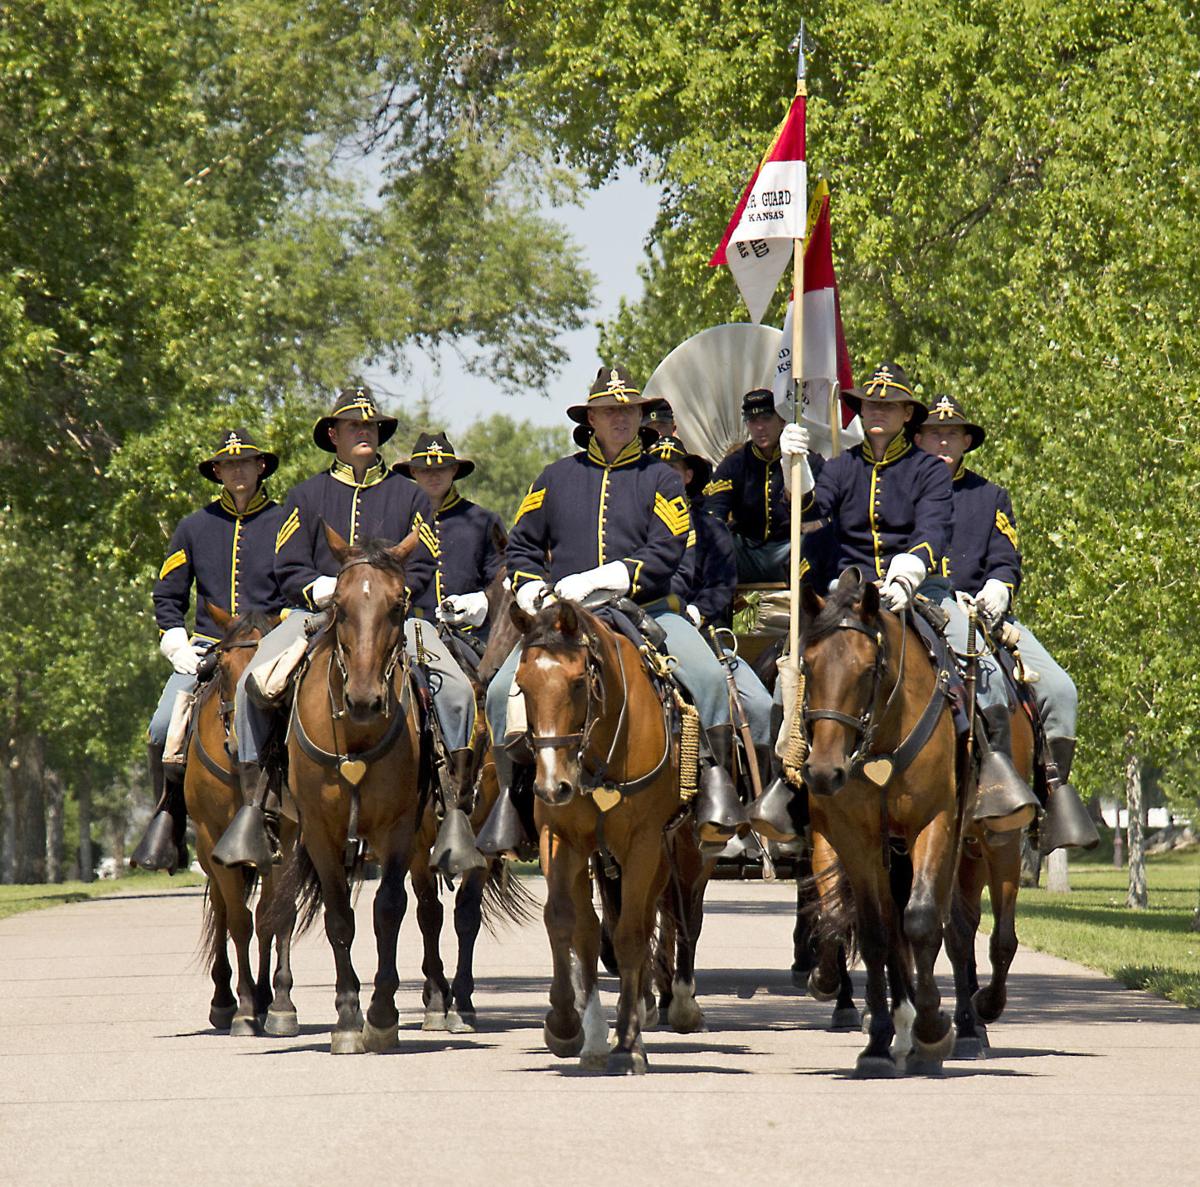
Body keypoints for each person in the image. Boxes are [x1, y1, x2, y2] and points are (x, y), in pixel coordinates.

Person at [481, 365, 746, 846]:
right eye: (609, 411)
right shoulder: (555, 477)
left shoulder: (661, 478)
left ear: (640, 417)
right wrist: (532, 591)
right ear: (592, 419)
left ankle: (713, 789)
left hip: (646, 608)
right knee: (501, 692)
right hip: (562, 619)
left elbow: (668, 549)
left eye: (628, 410)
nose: (620, 418)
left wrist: (603, 580)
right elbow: (519, 548)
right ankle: (513, 801)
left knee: (706, 678)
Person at [216, 388, 471, 871]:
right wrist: (321, 589)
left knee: (456, 691)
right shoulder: (306, 495)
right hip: (318, 614)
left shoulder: (411, 496)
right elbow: (286, 564)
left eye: (371, 427)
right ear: (332, 435)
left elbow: (427, 562)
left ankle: (453, 810)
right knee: (255, 681)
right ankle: (257, 807)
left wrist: (392, 596)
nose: (364, 434)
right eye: (354, 427)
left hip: (398, 620)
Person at [782, 363, 1034, 827]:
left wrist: (907, 572)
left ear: (905, 415)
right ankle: (789, 785)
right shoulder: (840, 467)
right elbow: (809, 515)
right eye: (869, 404)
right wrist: (793, 469)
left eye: (888, 405)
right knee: (797, 667)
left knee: (979, 663)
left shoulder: (927, 471)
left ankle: (996, 775)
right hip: (850, 594)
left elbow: (933, 528)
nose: (877, 412)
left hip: (919, 591)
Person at [914, 395, 1098, 851]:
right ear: (916, 439)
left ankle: (1047, 798)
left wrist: (998, 586)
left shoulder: (990, 495)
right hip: (919, 606)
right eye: (934, 433)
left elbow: (1004, 557)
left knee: (1060, 690)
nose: (942, 440)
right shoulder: (904, 487)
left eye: (952, 434)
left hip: (984, 613)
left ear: (966, 442)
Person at [131, 429, 284, 874]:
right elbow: (168, 594)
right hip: (206, 648)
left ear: (260, 467)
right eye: (228, 464)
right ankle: (171, 818)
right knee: (161, 728)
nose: (238, 470)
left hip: (269, 645)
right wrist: (174, 640)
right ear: (217, 472)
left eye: (246, 462)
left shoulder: (284, 520)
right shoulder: (193, 526)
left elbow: (299, 581)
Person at [649, 434, 774, 777]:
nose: (664, 475)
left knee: (761, 708)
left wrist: (696, 612)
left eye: (672, 468)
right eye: (656, 468)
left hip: (705, 635)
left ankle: (757, 797)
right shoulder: (639, 524)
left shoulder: (711, 529)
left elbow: (721, 586)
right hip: (646, 629)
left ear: (688, 475)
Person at [704, 388, 834, 586]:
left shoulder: (808, 462)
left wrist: (821, 524)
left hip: (792, 550)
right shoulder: (734, 464)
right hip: (747, 553)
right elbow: (713, 512)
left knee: (819, 542)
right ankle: (712, 615)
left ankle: (808, 614)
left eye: (766, 419)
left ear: (781, 420)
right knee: (714, 544)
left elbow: (836, 508)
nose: (759, 427)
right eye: (752, 421)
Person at [394, 430, 505, 640]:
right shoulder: (399, 520)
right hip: (411, 635)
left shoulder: (482, 521)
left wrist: (479, 602)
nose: (434, 475)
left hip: (471, 635)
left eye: (441, 468)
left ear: (453, 470)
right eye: (425, 470)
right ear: (413, 472)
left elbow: (500, 581)